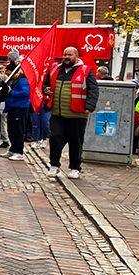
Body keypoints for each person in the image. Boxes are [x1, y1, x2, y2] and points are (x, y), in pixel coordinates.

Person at [44, 47, 99, 179]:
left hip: (77, 114)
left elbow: (93, 90)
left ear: (76, 56)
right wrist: (45, 90)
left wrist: (89, 106)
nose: (66, 57)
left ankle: (75, 168)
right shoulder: (56, 69)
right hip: (57, 113)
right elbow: (46, 85)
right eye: (64, 54)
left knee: (76, 142)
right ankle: (54, 165)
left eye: (69, 54)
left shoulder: (86, 71)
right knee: (55, 139)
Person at [3, 59, 30, 161]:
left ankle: (19, 151)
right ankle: (13, 149)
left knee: (18, 130)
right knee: (11, 129)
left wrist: (11, 92)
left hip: (20, 107)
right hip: (13, 107)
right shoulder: (15, 79)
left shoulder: (23, 80)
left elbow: (25, 93)